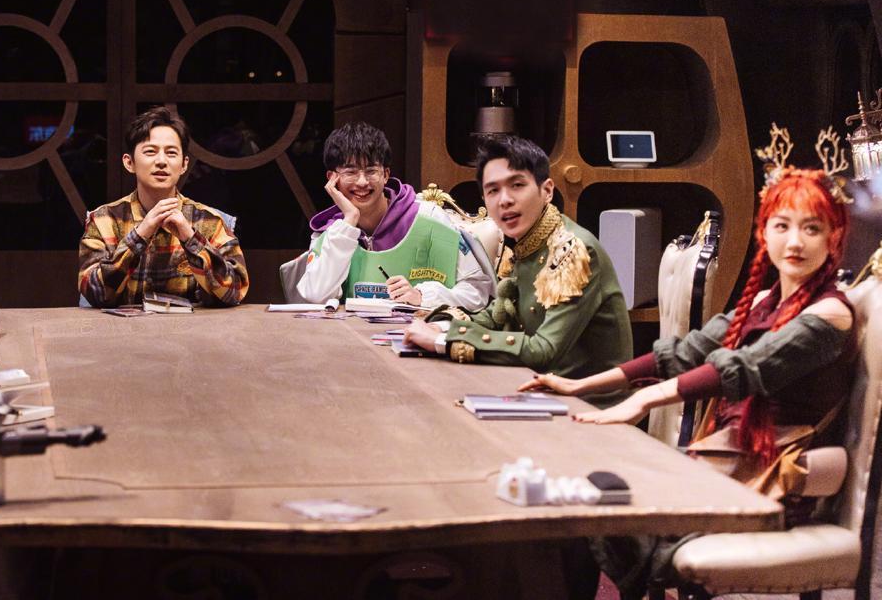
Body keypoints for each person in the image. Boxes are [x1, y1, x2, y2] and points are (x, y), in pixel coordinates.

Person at [521, 167, 854, 598]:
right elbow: (684, 351)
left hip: (769, 477)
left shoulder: (828, 314)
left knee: (598, 505)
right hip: (730, 457)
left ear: (833, 238)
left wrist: (647, 399)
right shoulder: (764, 302)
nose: (795, 242)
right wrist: (580, 386)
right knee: (582, 493)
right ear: (764, 232)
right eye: (782, 226)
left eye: (812, 228)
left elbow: (743, 368)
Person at [404, 135, 631, 404]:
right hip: (534, 388)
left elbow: (544, 350)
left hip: (588, 405)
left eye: (517, 185)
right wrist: (441, 325)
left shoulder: (572, 251)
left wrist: (445, 341)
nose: (505, 200)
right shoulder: (528, 242)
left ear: (547, 190)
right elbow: (496, 315)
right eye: (493, 191)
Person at [295, 122, 491, 309]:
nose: (362, 182)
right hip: (350, 332)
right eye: (351, 172)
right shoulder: (330, 232)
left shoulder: (429, 219)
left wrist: (422, 296)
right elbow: (316, 296)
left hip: (418, 331)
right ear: (333, 178)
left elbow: (476, 291)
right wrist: (349, 221)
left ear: (386, 174)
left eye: (371, 171)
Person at [78, 106, 249, 308]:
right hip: (122, 328)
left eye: (171, 153)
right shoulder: (103, 220)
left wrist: (190, 238)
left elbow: (235, 292)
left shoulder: (210, 221)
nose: (161, 161)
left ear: (184, 164)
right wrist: (139, 235)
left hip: (193, 328)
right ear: (129, 162)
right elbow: (94, 293)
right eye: (150, 152)